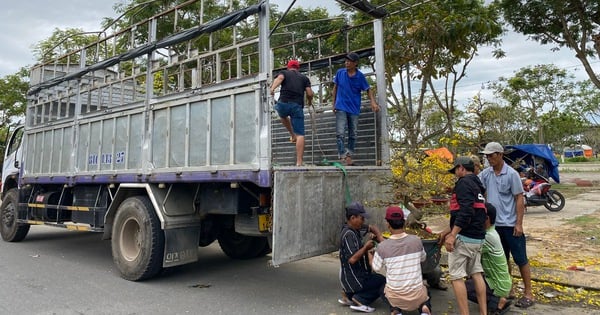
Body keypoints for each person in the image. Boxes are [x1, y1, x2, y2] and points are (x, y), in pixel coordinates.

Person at [478, 142, 534, 309]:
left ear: (500, 154)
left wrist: (519, 223)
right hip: (495, 225)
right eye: (487, 156)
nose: (489, 159)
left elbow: (519, 198)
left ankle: (528, 293)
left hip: (510, 224)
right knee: (502, 259)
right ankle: (508, 290)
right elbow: (475, 183)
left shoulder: (511, 174)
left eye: (492, 155)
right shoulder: (486, 174)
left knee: (520, 259)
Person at [439, 156, 488, 315]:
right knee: (476, 273)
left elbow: (466, 211)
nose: (455, 174)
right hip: (478, 237)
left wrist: (452, 235)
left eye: (455, 171)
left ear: (461, 168)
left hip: (464, 237)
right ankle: (483, 312)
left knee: (456, 276)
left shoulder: (463, 183)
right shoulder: (477, 185)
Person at [371, 206, 432, 315]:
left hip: (395, 298)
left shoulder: (382, 247)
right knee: (426, 289)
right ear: (404, 222)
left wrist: (369, 254)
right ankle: (424, 308)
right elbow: (423, 258)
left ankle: (395, 310)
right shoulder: (416, 240)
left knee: (382, 288)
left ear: (388, 224)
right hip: (417, 296)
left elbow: (376, 268)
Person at [332, 52, 380, 166]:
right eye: (346, 61)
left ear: (355, 63)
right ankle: (342, 155)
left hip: (353, 108)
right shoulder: (340, 73)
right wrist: (333, 104)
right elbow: (335, 89)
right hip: (341, 106)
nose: (347, 63)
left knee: (353, 133)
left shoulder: (360, 77)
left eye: (349, 61)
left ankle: (349, 155)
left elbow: (368, 89)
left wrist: (373, 102)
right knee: (340, 132)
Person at [338, 201, 386, 313]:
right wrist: (365, 248)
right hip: (354, 278)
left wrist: (378, 236)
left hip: (350, 278)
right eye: (361, 218)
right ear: (353, 218)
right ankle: (360, 299)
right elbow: (352, 259)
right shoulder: (348, 234)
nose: (363, 221)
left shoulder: (355, 228)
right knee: (382, 280)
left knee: (372, 276)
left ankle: (349, 295)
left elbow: (372, 228)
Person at [465, 203, 513, 315]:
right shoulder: (491, 232)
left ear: (486, 219)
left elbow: (469, 246)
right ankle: (494, 301)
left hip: (498, 284)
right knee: (473, 280)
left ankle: (498, 302)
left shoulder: (488, 236)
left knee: (466, 287)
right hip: (497, 280)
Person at [270, 59, 314, 166]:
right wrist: (309, 101)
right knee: (301, 135)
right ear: (298, 68)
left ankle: (291, 134)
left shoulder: (284, 73)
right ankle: (299, 162)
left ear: (288, 67)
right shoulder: (304, 78)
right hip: (297, 106)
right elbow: (309, 93)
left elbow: (279, 79)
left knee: (282, 115)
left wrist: (272, 89)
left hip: (283, 104)